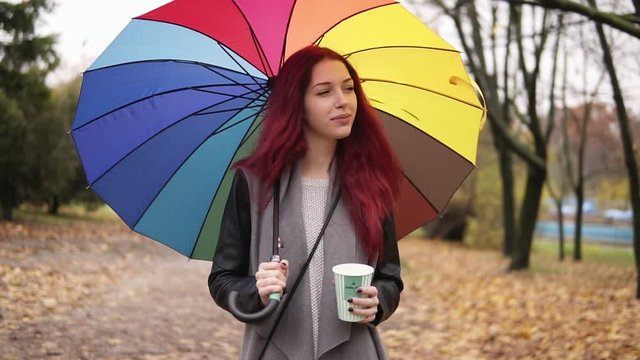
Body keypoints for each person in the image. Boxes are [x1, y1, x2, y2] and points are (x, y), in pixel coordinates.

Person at [208, 45, 404, 360]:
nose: (343, 101)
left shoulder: (371, 184)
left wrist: (379, 299)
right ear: (296, 105)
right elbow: (222, 279)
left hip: (355, 350)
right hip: (272, 349)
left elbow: (390, 275)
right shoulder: (253, 183)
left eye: (349, 88)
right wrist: (254, 291)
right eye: (324, 92)